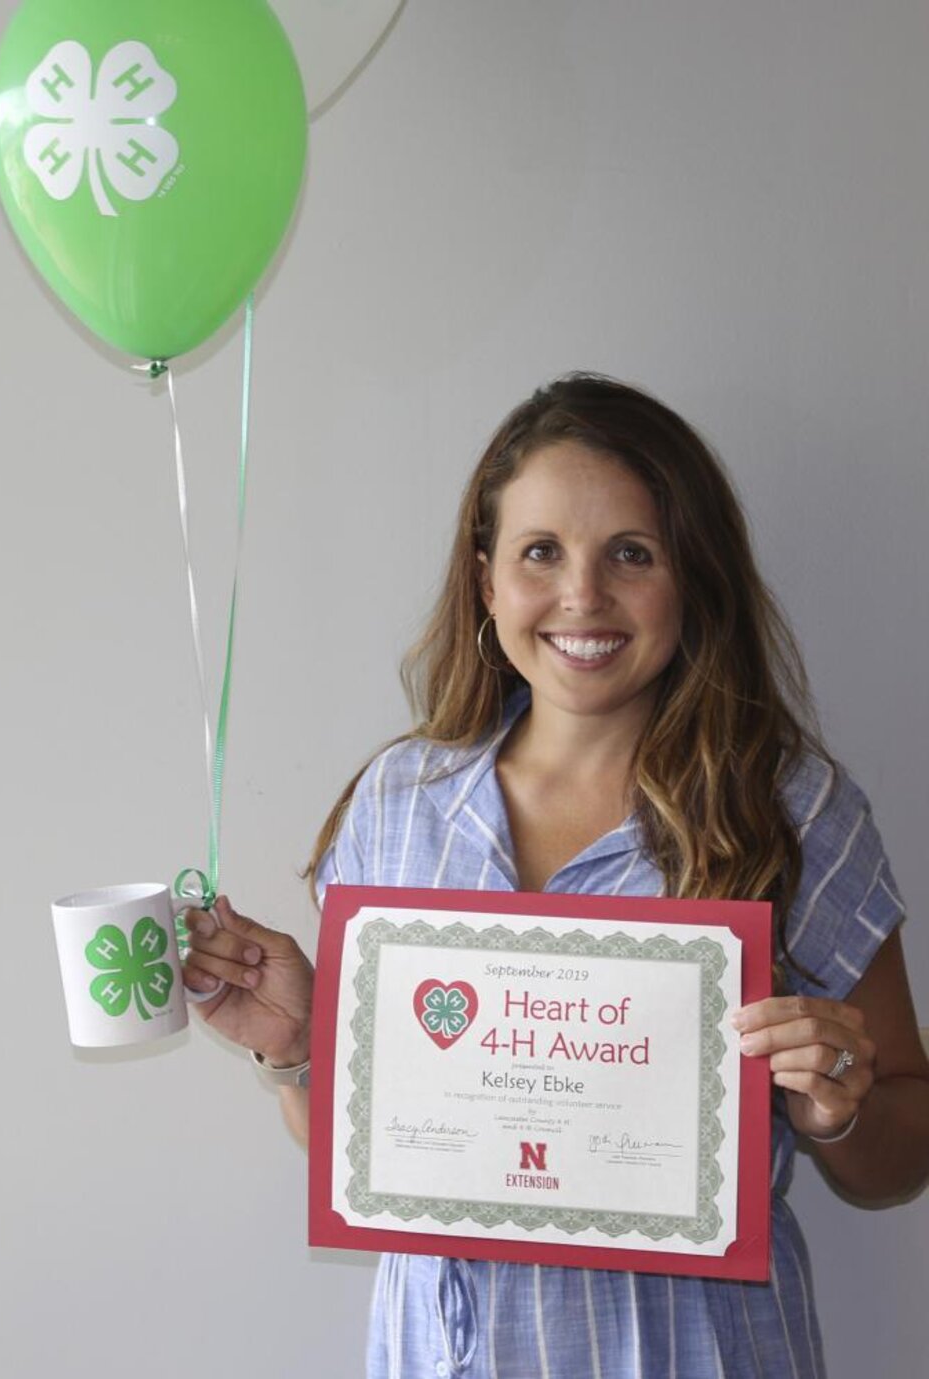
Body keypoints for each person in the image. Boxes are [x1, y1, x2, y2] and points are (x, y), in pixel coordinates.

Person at [182, 375, 929, 1378]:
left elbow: (903, 1155)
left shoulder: (797, 811)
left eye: (632, 552)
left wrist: (836, 1107)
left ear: (692, 579)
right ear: (486, 578)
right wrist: (297, 1048)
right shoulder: (398, 805)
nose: (583, 594)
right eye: (542, 552)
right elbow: (378, 1162)